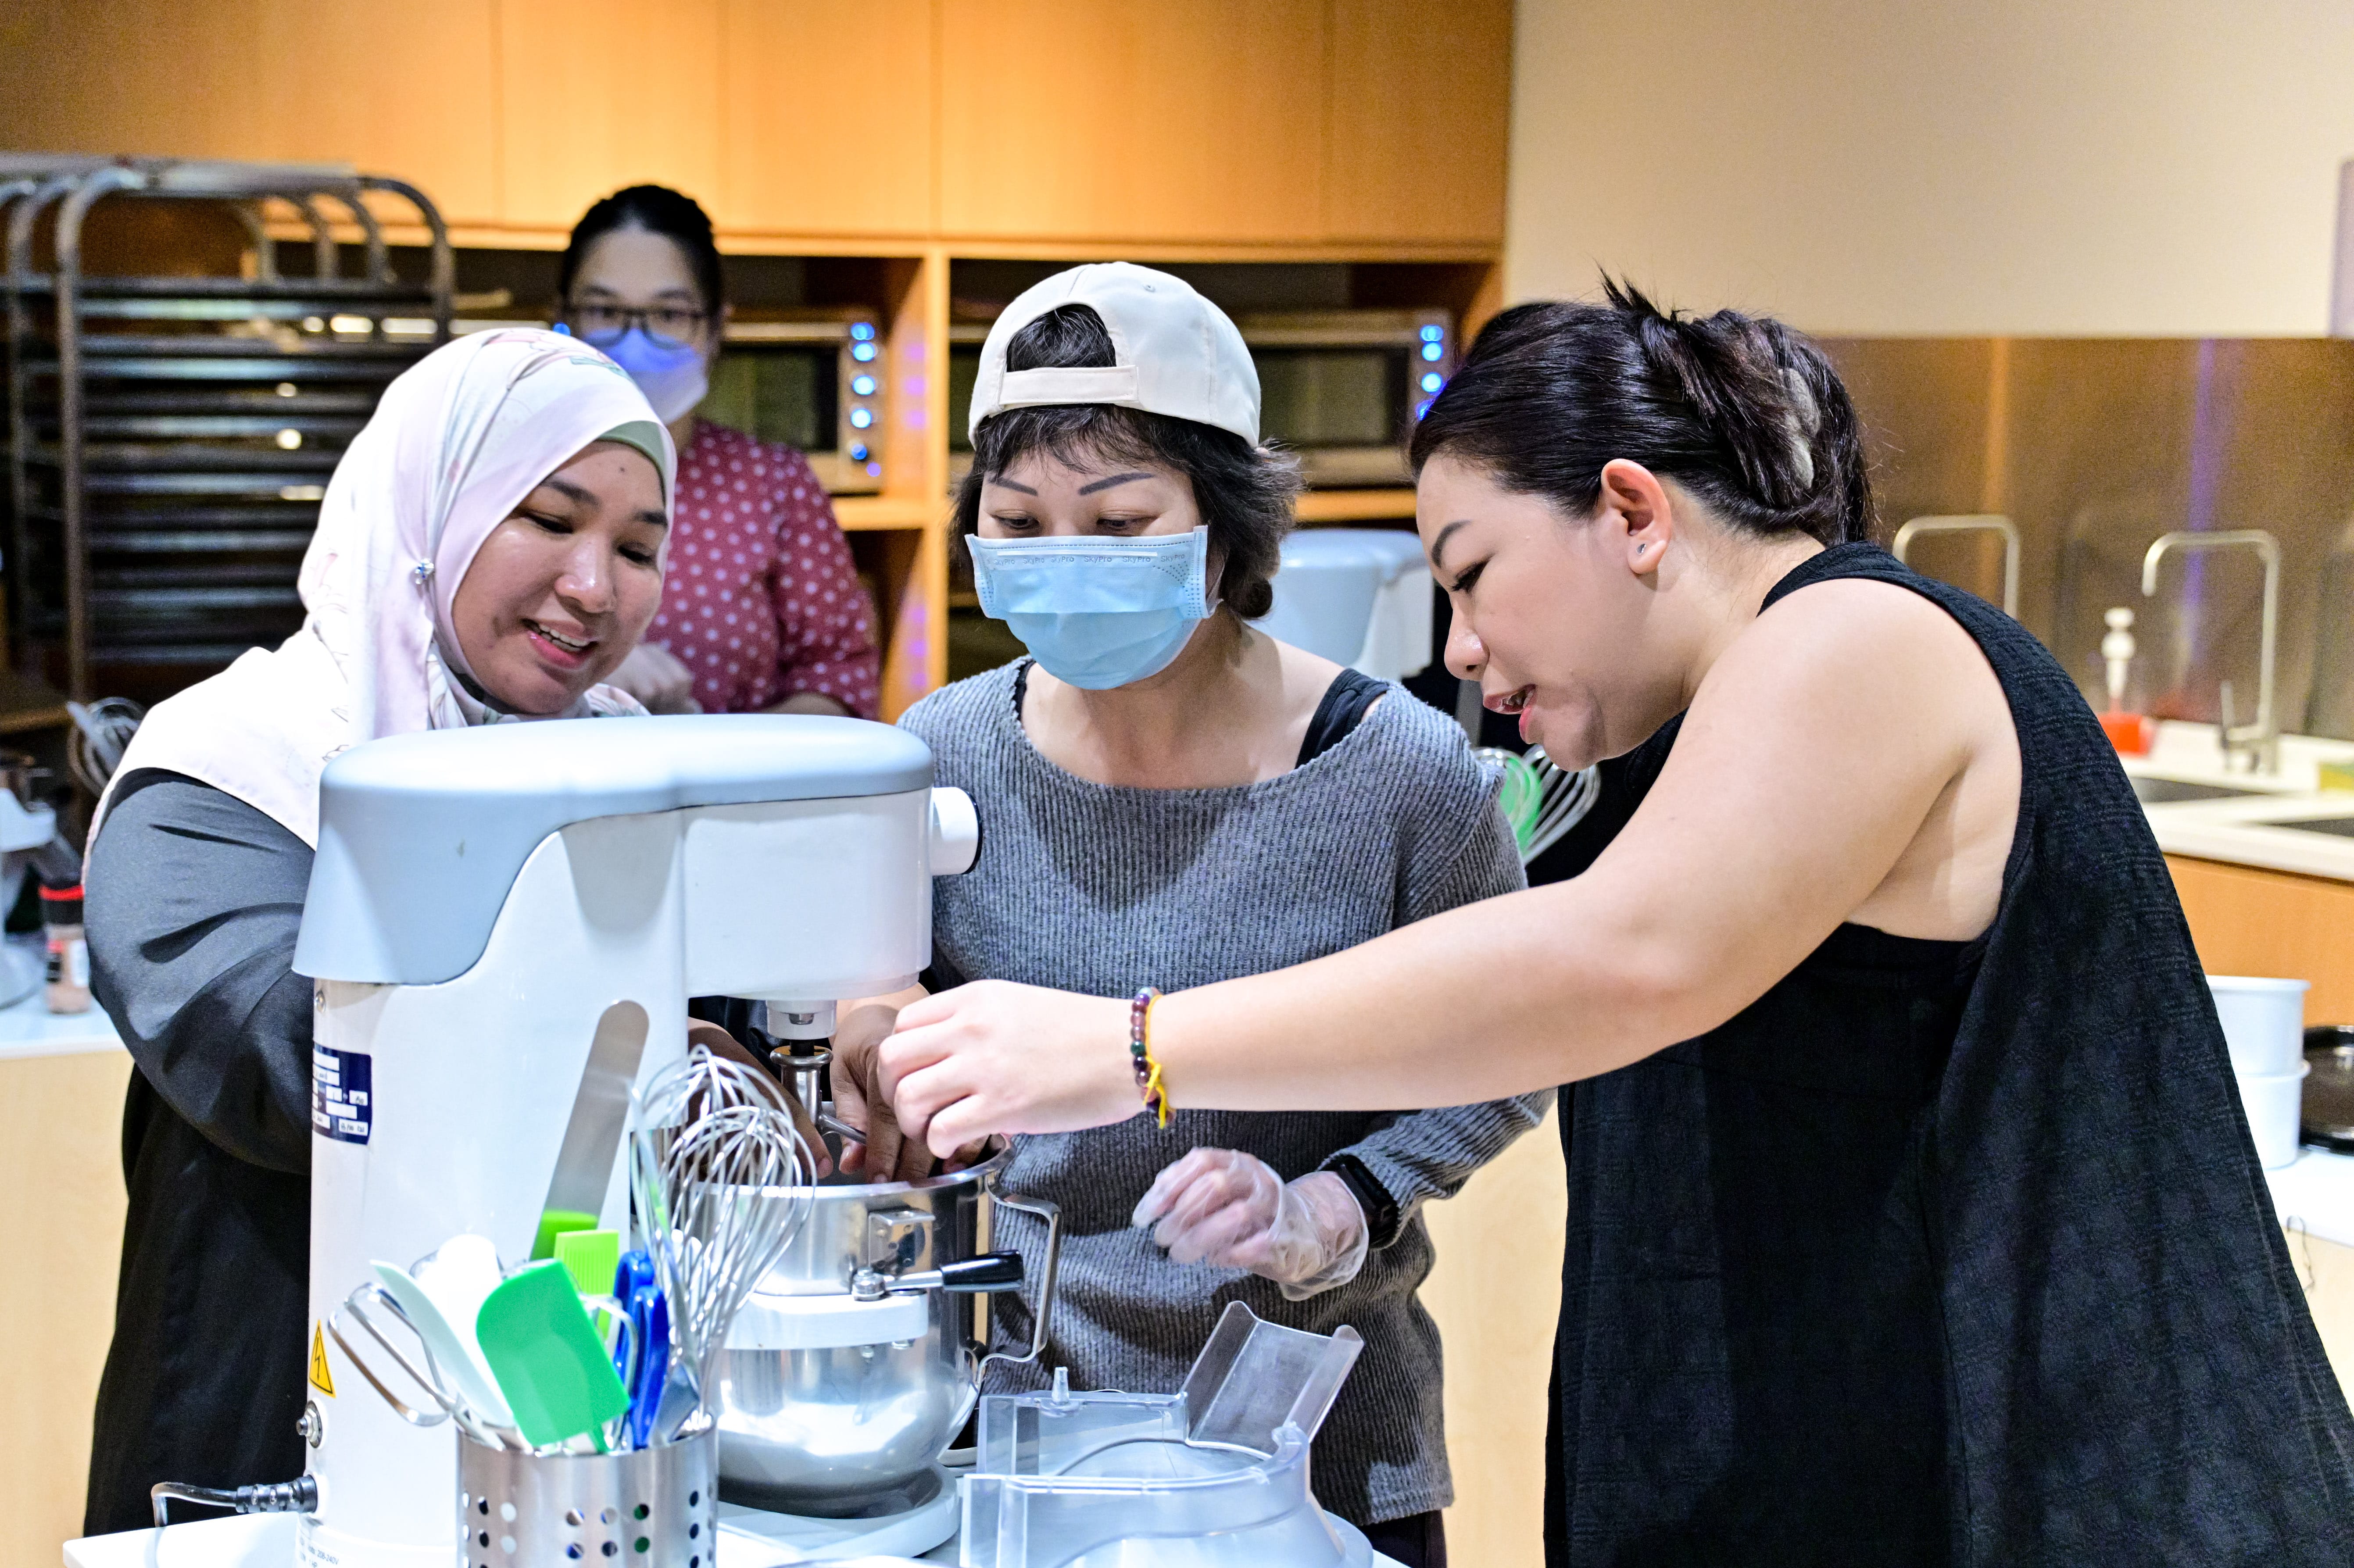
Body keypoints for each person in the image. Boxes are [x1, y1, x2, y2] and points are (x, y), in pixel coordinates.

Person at [874, 283, 2354, 1562]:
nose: (1458, 648)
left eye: (1470, 573)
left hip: (2078, 1493)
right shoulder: (1672, 742)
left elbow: (1610, 961)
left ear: (1631, 512)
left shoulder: (1857, 641)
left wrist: (1129, 1047)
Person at [830, 264, 1545, 1568]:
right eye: (1021, 520)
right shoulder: (937, 753)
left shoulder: (1394, 772)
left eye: (1116, 524)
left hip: (1317, 1437)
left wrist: (1335, 1203)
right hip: (1015, 1440)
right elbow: (876, 1005)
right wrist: (887, 1058)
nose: (1065, 562)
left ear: (1223, 526)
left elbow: (1506, 1050)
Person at [81, 330, 673, 1534]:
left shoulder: (630, 762)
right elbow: (286, 1062)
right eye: (549, 517)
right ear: (430, 508)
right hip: (261, 1439)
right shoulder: (223, 776)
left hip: (566, 1436)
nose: (594, 585)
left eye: (637, 546)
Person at [556, 185, 880, 719]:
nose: (635, 340)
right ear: (564, 317)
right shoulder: (514, 473)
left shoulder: (775, 484)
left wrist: (719, 752)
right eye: (603, 309)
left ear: (713, 328)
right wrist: (589, 670)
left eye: (668, 314)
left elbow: (838, 677)